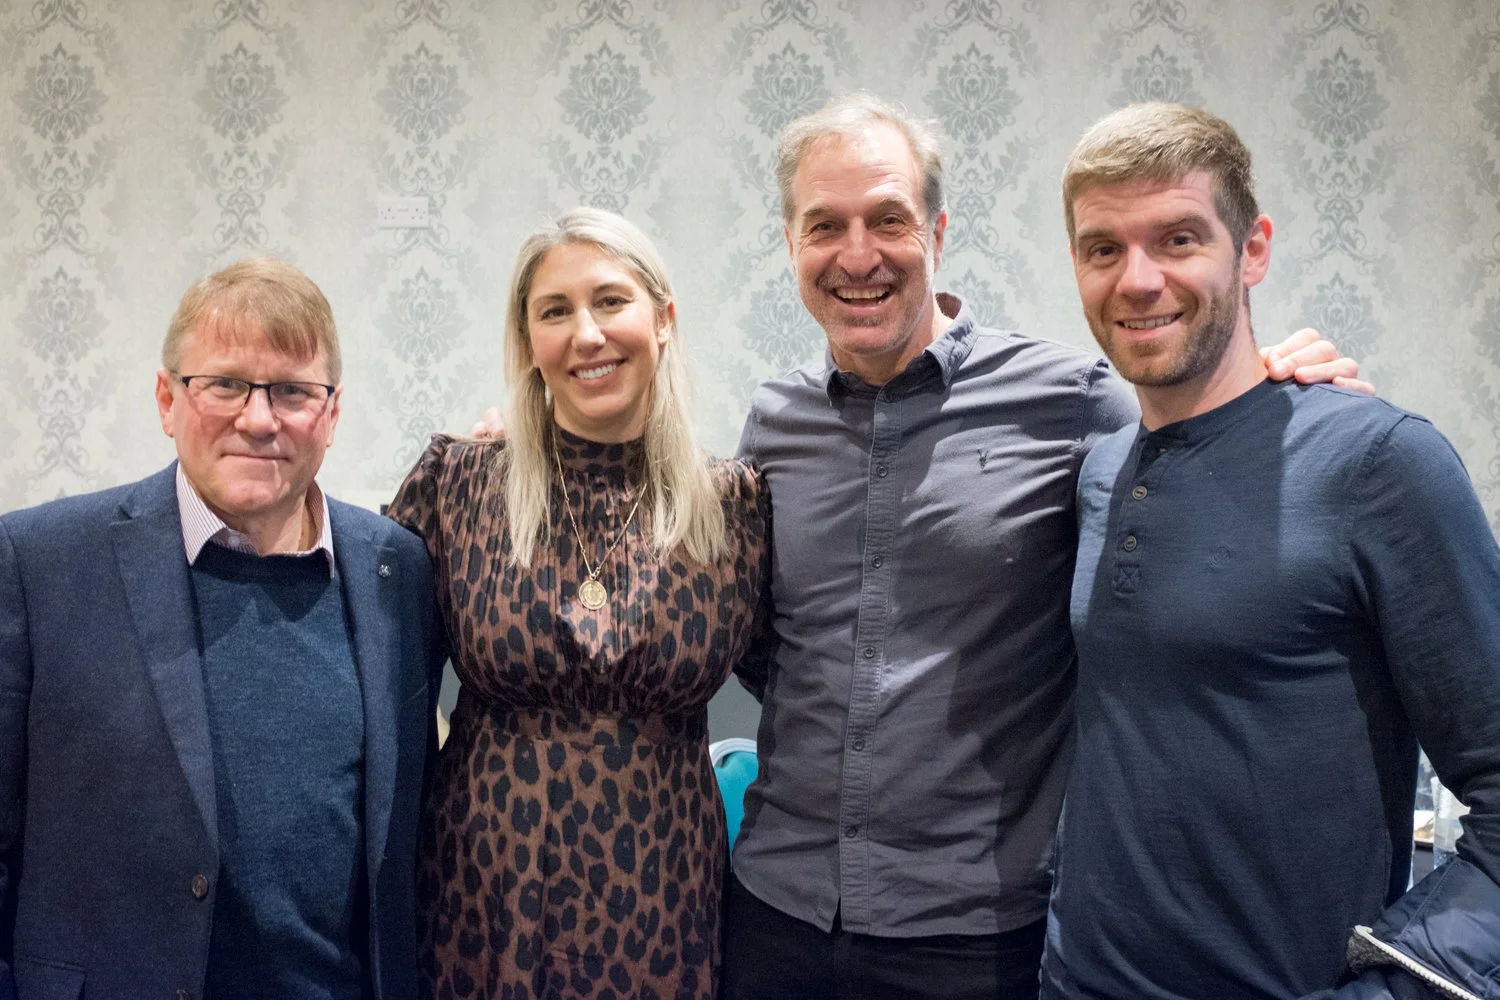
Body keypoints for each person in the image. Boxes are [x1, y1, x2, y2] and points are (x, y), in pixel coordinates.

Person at [721, 92, 1366, 1000]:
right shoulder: (771, 421)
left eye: (888, 220)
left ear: (937, 232)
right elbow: (760, 641)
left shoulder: (1073, 399)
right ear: (791, 245)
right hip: (772, 910)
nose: (857, 255)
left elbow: (1202, 461)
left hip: (979, 932)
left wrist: (1292, 402)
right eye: (824, 225)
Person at [1041, 101, 1500, 1000]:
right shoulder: (1099, 473)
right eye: (1104, 248)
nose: (1138, 280)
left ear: (1251, 250)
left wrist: (1403, 984)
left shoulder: (1380, 462)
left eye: (1178, 239)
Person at [0, 257, 446, 1000]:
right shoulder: (39, 562)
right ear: (166, 399)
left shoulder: (395, 570)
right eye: (226, 384)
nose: (259, 417)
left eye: (293, 391)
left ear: (331, 414)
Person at [387, 207, 771, 999]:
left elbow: (801, 681)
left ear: (663, 320)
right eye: (554, 311)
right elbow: (378, 684)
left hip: (663, 892)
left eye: (610, 301)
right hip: (482, 884)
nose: (586, 335)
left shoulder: (732, 504)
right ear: (529, 341)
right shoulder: (461, 483)